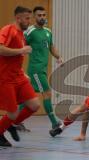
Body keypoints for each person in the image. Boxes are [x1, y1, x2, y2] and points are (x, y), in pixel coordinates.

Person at [0, 6, 40, 147]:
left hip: (19, 77)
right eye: (27, 18)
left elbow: (15, 59)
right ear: (18, 18)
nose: (29, 21)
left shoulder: (22, 34)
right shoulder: (8, 30)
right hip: (6, 79)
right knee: (12, 113)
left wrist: (23, 73)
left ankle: (12, 124)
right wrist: (21, 50)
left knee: (34, 105)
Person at [19, 6, 63, 131]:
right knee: (47, 93)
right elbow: (21, 47)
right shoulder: (30, 32)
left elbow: (51, 46)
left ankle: (13, 120)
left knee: (29, 97)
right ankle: (54, 123)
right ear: (34, 17)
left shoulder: (48, 31)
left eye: (44, 15)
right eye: (39, 15)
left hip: (43, 69)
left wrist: (58, 57)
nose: (42, 17)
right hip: (36, 70)